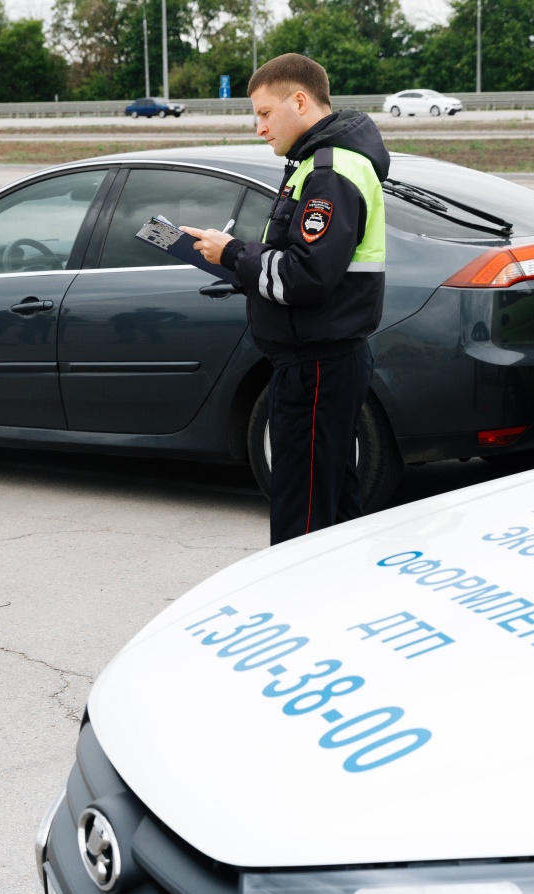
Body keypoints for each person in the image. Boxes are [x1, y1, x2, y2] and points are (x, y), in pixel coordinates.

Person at [182, 53, 389, 545]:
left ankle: (304, 611)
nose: (259, 128)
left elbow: (305, 277)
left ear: (300, 100)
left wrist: (233, 253)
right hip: (319, 361)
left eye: (264, 113)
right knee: (333, 502)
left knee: (303, 516)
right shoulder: (319, 164)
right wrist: (230, 259)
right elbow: (295, 264)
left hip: (316, 365)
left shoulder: (330, 170)